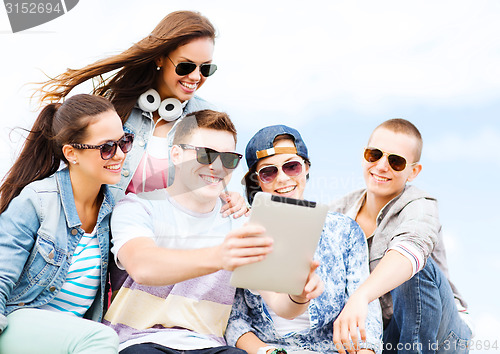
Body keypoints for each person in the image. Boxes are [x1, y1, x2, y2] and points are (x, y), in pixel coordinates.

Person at [103, 110, 321, 353]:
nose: (217, 167)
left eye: (228, 159)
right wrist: (220, 255)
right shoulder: (139, 207)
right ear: (176, 154)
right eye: (206, 155)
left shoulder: (240, 222)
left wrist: (300, 295)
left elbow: (282, 306)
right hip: (138, 342)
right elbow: (143, 267)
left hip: (209, 346)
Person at [37, 10, 246, 217]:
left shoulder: (205, 118)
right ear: (160, 59)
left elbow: (212, 174)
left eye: (205, 69)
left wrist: (229, 196)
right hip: (104, 233)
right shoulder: (112, 107)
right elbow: (77, 163)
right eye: (185, 66)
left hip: (166, 239)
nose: (195, 76)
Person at [225, 125, 382, 354]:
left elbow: (366, 312)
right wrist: (266, 352)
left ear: (306, 168)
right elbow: (234, 318)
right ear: (257, 180)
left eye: (292, 166)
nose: (282, 179)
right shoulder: (244, 231)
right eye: (269, 172)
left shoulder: (344, 232)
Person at [0, 94, 133, 353]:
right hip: (17, 326)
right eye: (106, 147)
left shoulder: (113, 210)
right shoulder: (37, 201)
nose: (119, 155)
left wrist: (223, 199)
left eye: (124, 142)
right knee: (103, 339)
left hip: (70, 339)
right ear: (71, 153)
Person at [330, 119, 472, 354]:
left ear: (413, 171)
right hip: (386, 334)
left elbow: (412, 248)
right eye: (374, 154)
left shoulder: (421, 206)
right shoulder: (337, 212)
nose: (381, 166)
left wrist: (361, 296)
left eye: (396, 161)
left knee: (412, 267)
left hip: (442, 336)